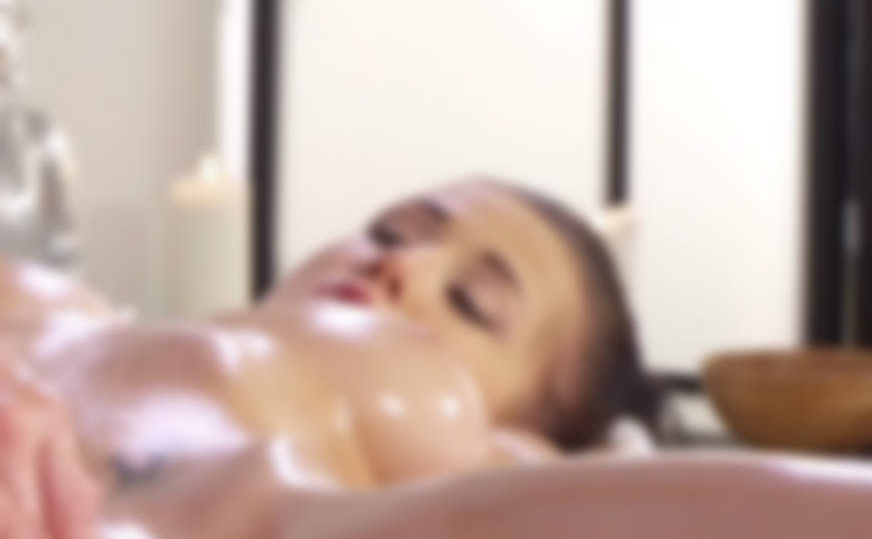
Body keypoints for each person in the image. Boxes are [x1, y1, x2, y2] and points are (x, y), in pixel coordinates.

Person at [0, 178, 661, 536]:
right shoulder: (54, 301)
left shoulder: (457, 469)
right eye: (390, 231)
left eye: (470, 302)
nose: (399, 262)